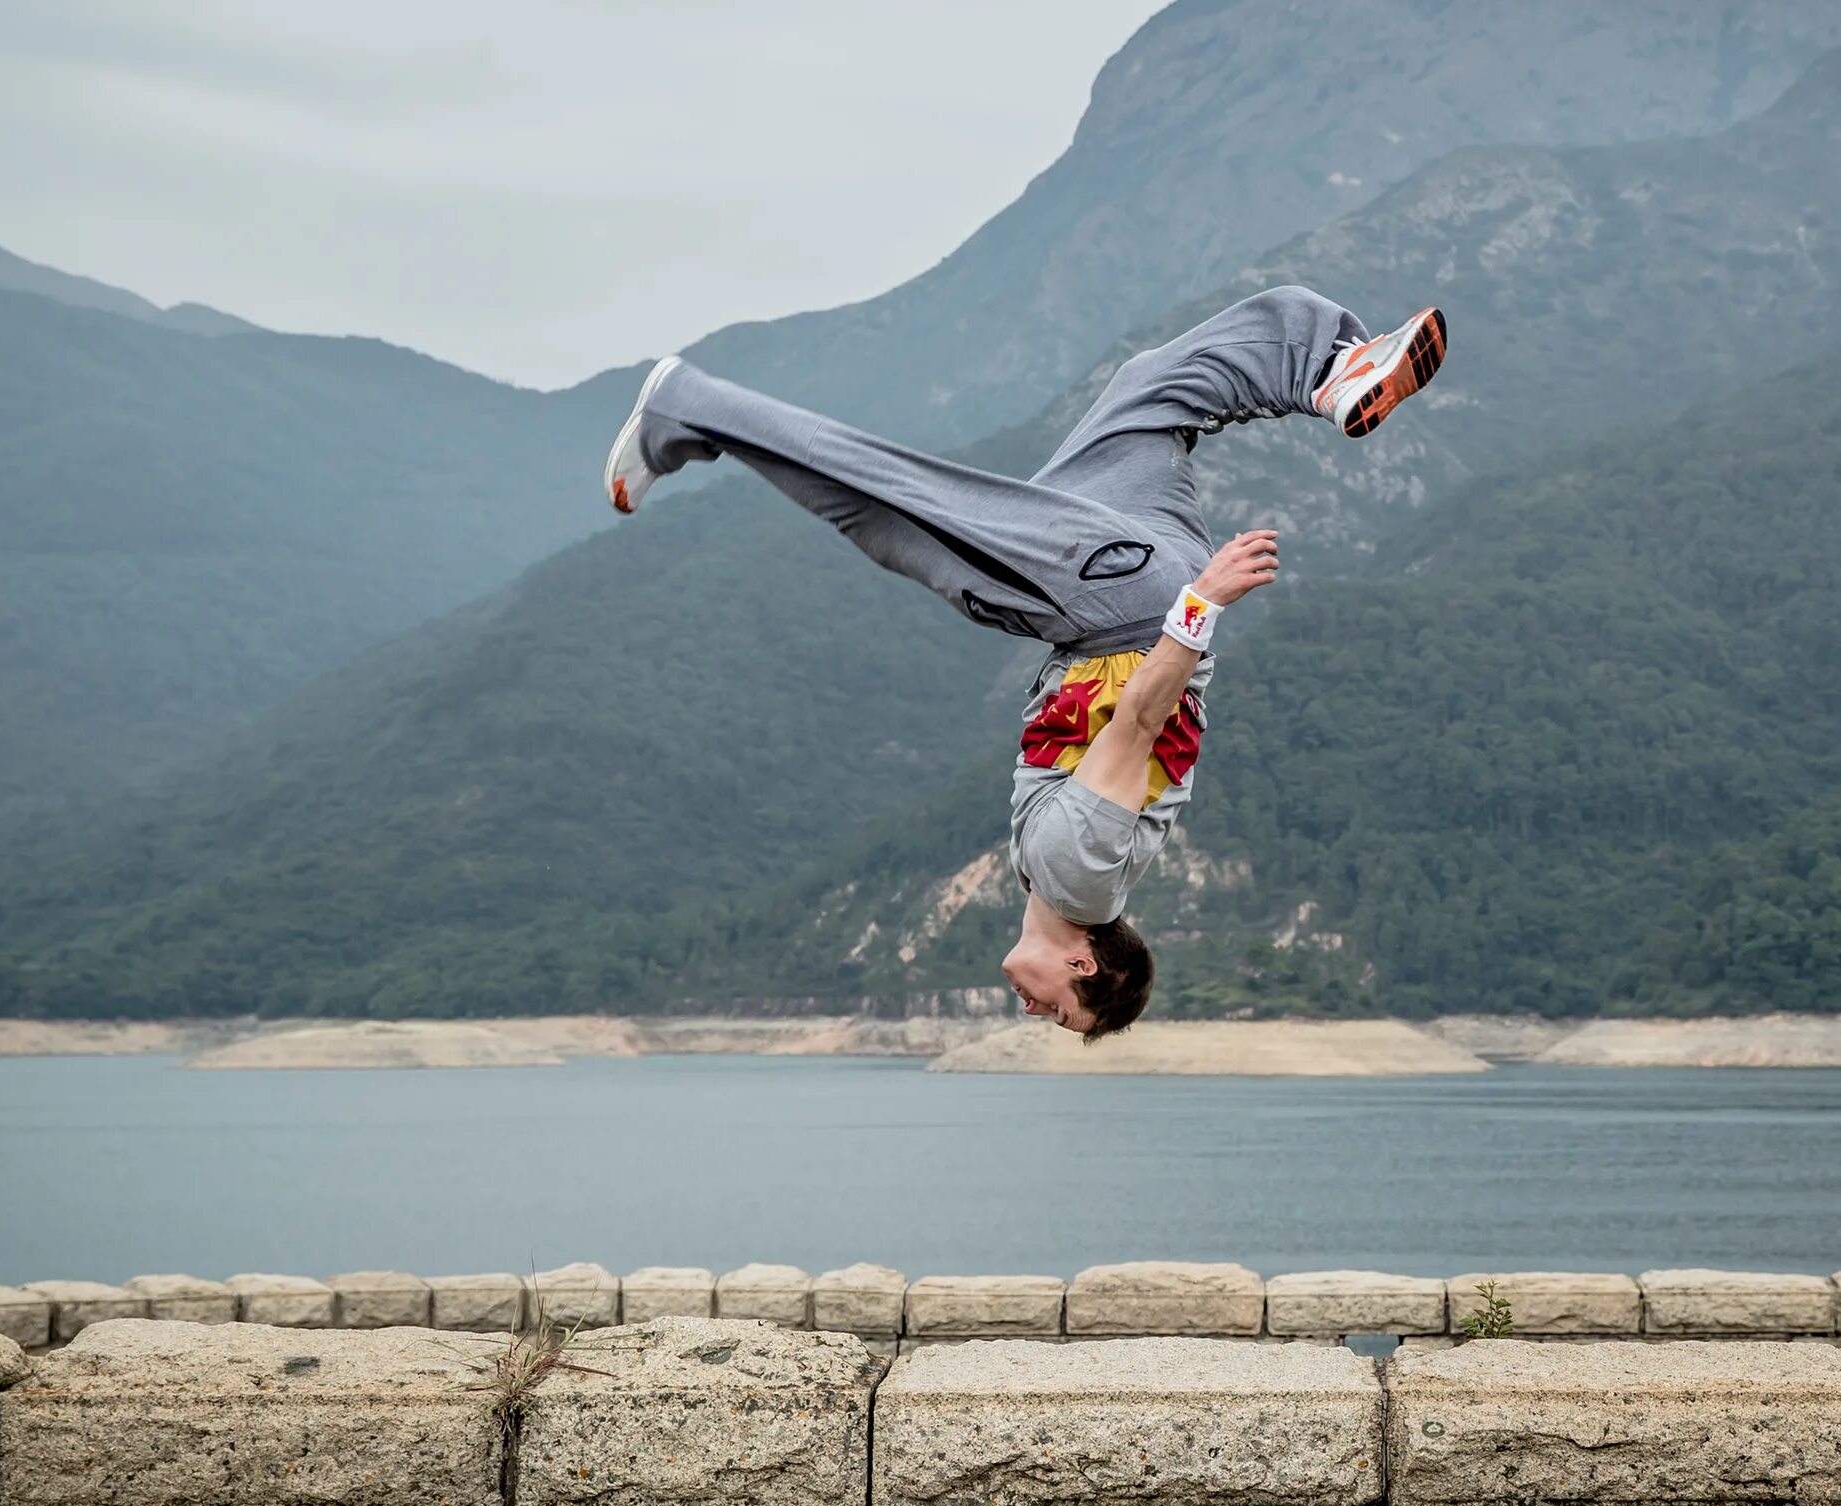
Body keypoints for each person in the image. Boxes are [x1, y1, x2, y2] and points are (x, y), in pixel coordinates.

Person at [601, 286, 1447, 1038]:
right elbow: (1136, 722)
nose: (1032, 1010)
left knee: (1153, 390)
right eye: (1058, 1009)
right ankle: (688, 408)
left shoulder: (1071, 879)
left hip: (1133, 570)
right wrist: (1203, 605)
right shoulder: (1081, 881)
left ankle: (1330, 364)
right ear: (1087, 966)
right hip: (1117, 604)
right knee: (892, 511)